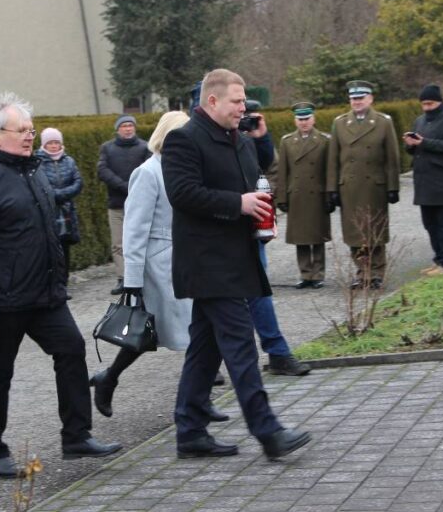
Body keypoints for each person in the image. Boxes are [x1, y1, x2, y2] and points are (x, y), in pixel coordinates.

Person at [0, 93, 122, 478]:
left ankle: (76, 435)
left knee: (72, 350)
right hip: (0, 300)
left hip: (44, 295)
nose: (30, 136)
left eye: (31, 129)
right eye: (21, 130)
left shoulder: (33, 169)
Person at [161, 68, 311, 460]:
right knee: (241, 345)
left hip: (237, 257)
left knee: (205, 349)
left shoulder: (239, 140)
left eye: (243, 101)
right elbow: (182, 193)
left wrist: (260, 206)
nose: (242, 108)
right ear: (212, 101)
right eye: (236, 101)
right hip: (207, 263)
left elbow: (255, 181)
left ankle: (190, 431)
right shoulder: (184, 139)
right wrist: (237, 204)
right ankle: (268, 431)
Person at [90, 111, 228, 421]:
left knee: (193, 329)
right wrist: (133, 279)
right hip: (160, 264)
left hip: (188, 259)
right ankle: (112, 378)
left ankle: (195, 397)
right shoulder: (148, 172)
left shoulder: (188, 169)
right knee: (151, 332)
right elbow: (134, 230)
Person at [326, 80, 400, 291]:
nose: (356, 102)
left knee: (374, 230)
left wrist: (393, 186)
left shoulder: (383, 122)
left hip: (374, 186)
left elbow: (392, 158)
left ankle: (376, 273)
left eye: (360, 98)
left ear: (370, 99)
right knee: (354, 232)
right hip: (349, 186)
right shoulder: (340, 123)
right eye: (353, 98)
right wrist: (332, 188)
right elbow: (333, 159)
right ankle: (361, 272)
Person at [404, 84, 443, 276]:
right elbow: (414, 149)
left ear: (439, 101)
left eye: (430, 103)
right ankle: (438, 258)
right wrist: (411, 145)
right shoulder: (419, 121)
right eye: (424, 104)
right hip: (424, 181)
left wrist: (424, 142)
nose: (427, 107)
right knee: (429, 223)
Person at [277, 101, 331, 289]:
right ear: (295, 121)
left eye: (307, 118)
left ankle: (318, 274)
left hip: (317, 194)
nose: (304, 122)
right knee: (300, 237)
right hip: (297, 195)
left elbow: (329, 171)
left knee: (317, 236)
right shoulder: (287, 142)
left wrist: (330, 194)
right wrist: (282, 197)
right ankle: (305, 273)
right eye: (300, 119)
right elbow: (283, 172)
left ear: (313, 118)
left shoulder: (325, 141)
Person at [97, 115, 150, 295]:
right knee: (118, 243)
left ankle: (144, 276)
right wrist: (124, 185)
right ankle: (123, 278)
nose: (128, 129)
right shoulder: (107, 148)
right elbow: (102, 170)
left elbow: (150, 171)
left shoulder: (144, 147)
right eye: (124, 126)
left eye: (130, 125)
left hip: (141, 204)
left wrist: (135, 187)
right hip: (117, 203)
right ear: (117, 129)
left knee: (142, 240)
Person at [35, 128, 83, 283]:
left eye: (56, 142)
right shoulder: (37, 160)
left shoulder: (69, 161)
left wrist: (62, 194)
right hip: (47, 210)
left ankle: (64, 281)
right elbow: (40, 185)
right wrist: (55, 195)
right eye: (50, 143)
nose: (54, 146)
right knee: (49, 247)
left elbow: (78, 182)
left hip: (66, 210)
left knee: (65, 247)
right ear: (44, 144)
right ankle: (52, 282)